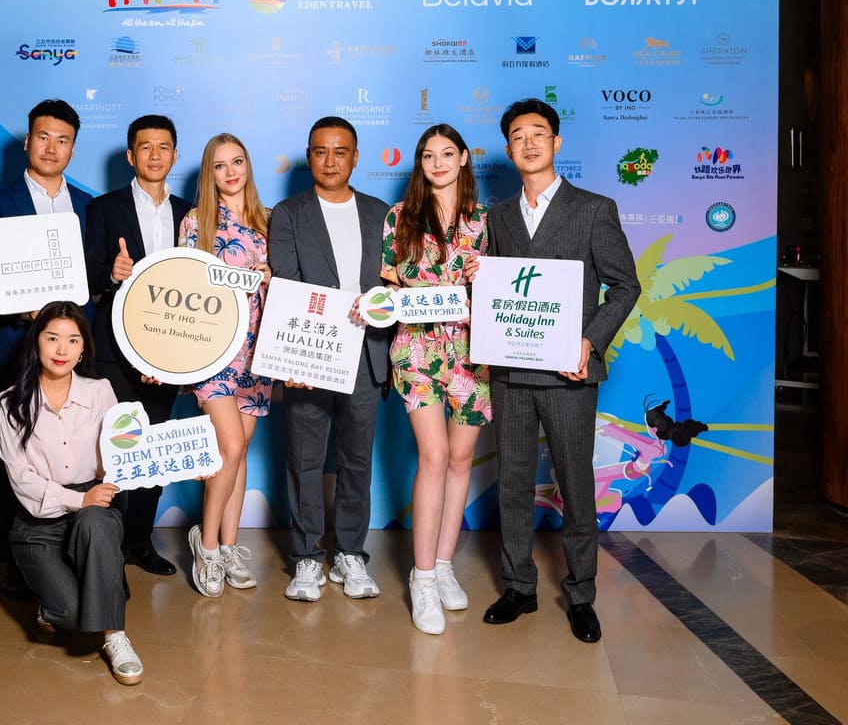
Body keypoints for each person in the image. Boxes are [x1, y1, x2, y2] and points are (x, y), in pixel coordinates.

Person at [472, 98, 639, 643]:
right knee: (513, 481)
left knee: (575, 482)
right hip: (512, 371)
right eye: (518, 136)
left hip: (569, 372)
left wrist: (589, 340)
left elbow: (625, 285)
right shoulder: (497, 217)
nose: (529, 143)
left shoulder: (593, 208)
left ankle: (582, 593)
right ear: (507, 149)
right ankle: (518, 586)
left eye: (538, 133)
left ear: (556, 142)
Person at [0, 99, 93, 599]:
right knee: (11, 452)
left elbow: (92, 283)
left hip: (66, 354)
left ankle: (63, 547)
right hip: (12, 346)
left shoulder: (87, 205)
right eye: (43, 137)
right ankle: (12, 552)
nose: (51, 147)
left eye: (62, 140)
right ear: (27, 141)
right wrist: (11, 305)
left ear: (73, 148)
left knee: (66, 449)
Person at [268, 116, 392, 603]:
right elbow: (287, 282)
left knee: (356, 459)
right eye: (320, 151)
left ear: (355, 157)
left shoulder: (381, 213)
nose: (330, 160)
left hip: (366, 355)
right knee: (304, 459)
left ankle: (350, 554)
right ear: (309, 156)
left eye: (340, 151)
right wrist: (292, 357)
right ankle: (305, 555)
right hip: (311, 354)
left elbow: (392, 281)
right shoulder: (288, 213)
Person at [381, 123, 491, 634]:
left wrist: (482, 281)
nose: (439, 163)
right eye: (429, 155)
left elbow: (504, 292)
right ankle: (421, 577)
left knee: (461, 459)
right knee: (434, 455)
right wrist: (378, 305)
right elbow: (388, 288)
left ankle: (444, 564)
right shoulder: (399, 217)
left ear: (464, 158)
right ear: (420, 163)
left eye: (448, 153)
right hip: (417, 349)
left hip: (473, 353)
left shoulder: (486, 221)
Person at [0, 302, 143, 686]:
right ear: (36, 343)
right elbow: (21, 479)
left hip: (93, 505)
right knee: (74, 616)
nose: (62, 349)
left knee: (96, 522)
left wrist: (175, 467)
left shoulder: (100, 391)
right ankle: (72, 590)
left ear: (83, 349)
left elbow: (125, 452)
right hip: (37, 520)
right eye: (52, 338)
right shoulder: (11, 402)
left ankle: (115, 636)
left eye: (73, 340)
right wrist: (78, 500)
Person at [84, 114, 190, 576]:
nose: (154, 155)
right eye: (145, 147)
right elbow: (86, 275)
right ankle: (103, 544)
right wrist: (111, 273)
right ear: (131, 155)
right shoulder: (103, 208)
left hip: (169, 351)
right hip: (114, 350)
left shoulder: (190, 213)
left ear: (175, 155)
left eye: (163, 147)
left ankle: (139, 542)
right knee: (111, 448)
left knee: (155, 451)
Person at [179, 133, 273, 597]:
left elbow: (286, 285)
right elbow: (183, 288)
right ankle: (208, 546)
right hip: (212, 351)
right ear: (209, 173)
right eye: (220, 165)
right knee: (229, 447)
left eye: (237, 162)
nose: (230, 172)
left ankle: (231, 546)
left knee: (241, 451)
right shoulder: (196, 221)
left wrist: (271, 276)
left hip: (258, 352)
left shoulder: (269, 220)